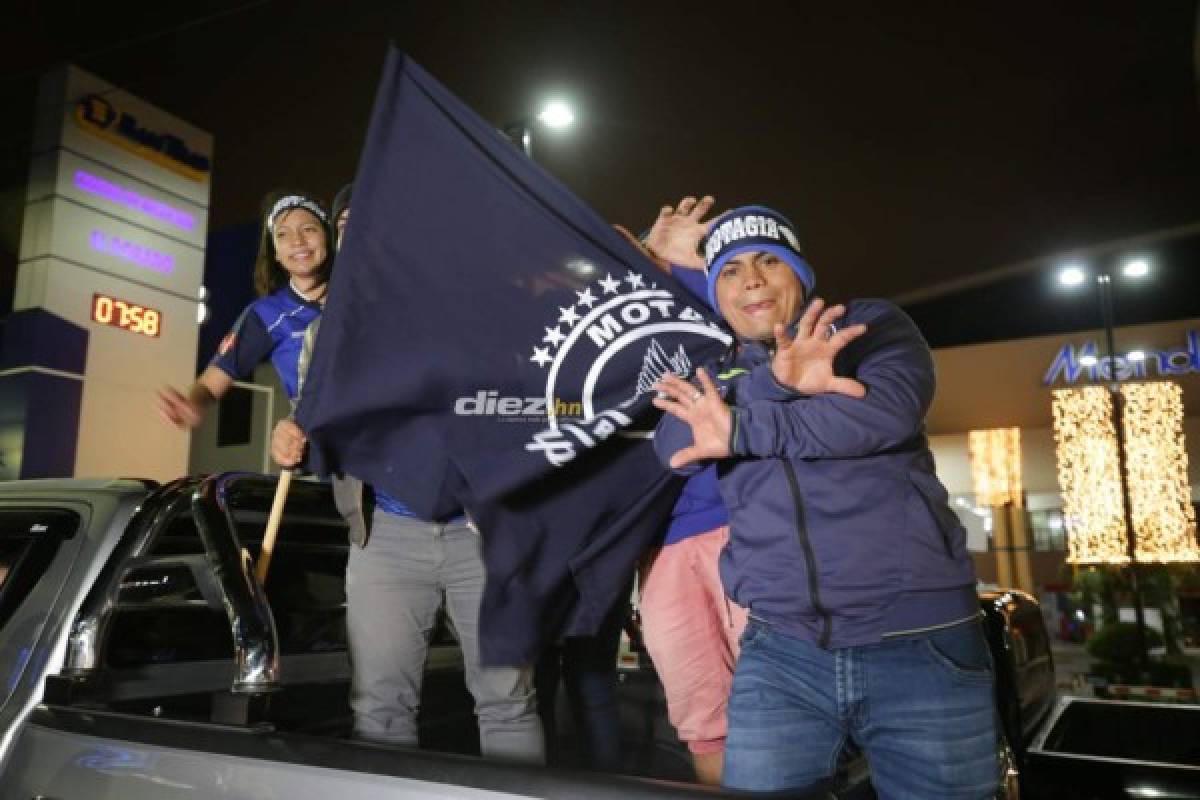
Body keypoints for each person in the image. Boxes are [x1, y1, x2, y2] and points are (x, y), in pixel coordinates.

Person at [651, 204, 999, 798]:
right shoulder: (718, 367)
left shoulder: (869, 327)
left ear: (801, 274)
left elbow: (879, 415)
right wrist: (777, 386)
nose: (751, 279)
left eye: (768, 261)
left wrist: (738, 430)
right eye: (730, 270)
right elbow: (675, 442)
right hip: (781, 651)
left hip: (923, 644)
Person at [271, 184, 544, 765]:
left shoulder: (477, 308)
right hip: (385, 539)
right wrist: (290, 433)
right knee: (379, 709)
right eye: (345, 223)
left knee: (508, 702)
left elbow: (525, 412)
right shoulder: (329, 331)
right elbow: (314, 420)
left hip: (482, 538)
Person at [615, 198, 746, 786]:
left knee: (788, 699)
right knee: (702, 716)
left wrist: (678, 262)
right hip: (663, 544)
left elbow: (756, 329)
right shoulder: (591, 334)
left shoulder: (702, 300)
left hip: (743, 525)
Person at [157, 191, 331, 428]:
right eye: (282, 234)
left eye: (308, 229)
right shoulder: (267, 314)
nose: (297, 241)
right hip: (319, 446)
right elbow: (210, 384)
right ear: (276, 254)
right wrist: (193, 404)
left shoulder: (361, 295)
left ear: (328, 237)